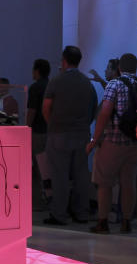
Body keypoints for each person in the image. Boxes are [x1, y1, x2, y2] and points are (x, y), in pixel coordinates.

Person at [87, 53, 137, 233]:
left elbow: (105, 113)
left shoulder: (115, 84)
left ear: (119, 68)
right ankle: (126, 222)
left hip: (114, 140)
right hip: (136, 142)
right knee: (129, 183)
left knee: (104, 182)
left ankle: (102, 222)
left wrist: (94, 139)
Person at [42, 46, 98, 225]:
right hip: (81, 134)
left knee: (60, 176)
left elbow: (46, 107)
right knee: (81, 175)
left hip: (59, 133)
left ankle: (59, 214)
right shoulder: (86, 83)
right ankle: (81, 213)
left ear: (64, 60)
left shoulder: (56, 81)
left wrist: (52, 124)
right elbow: (93, 109)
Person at [25, 58, 52, 203]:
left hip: (37, 133)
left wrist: (26, 129)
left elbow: (32, 110)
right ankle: (49, 197)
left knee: (36, 167)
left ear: (37, 70)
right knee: (48, 168)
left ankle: (37, 201)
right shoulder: (52, 85)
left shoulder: (35, 87)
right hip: (51, 132)